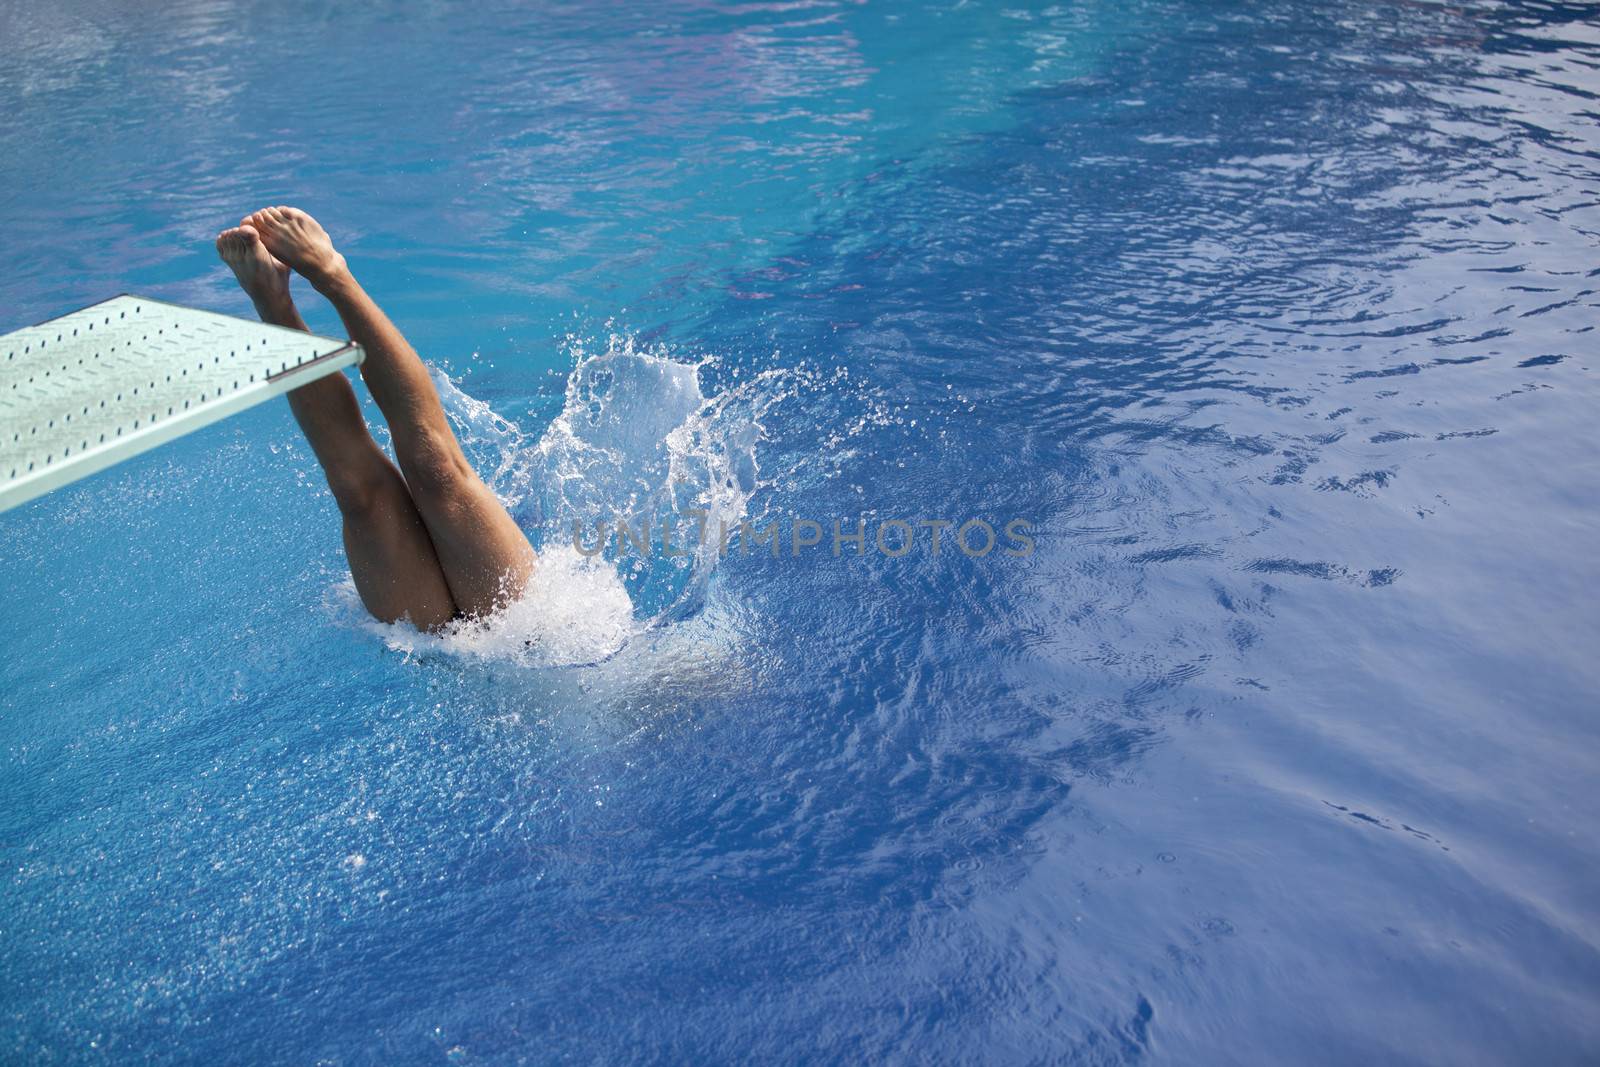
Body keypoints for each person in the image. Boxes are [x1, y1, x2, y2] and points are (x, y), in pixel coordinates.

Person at [216, 207, 535, 631]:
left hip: (433, 654)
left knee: (358, 491)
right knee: (436, 466)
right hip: (531, 633)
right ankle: (331, 273)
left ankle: (271, 300)